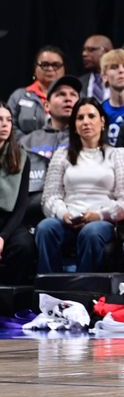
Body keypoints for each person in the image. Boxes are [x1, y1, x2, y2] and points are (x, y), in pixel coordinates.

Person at [35, 98, 124, 273]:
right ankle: (48, 288)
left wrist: (99, 215)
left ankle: (83, 290)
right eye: (80, 118)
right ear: (74, 125)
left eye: (91, 116)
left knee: (90, 233)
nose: (86, 122)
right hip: (67, 219)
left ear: (102, 121)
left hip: (101, 221)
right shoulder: (62, 155)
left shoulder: (118, 154)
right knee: (45, 228)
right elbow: (50, 197)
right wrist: (63, 214)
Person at [18, 76, 81, 203]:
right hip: (33, 206)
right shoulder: (27, 142)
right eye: (61, 94)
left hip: (75, 204)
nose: (68, 99)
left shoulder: (88, 140)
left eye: (73, 95)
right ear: (46, 106)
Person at [0, 102, 36, 285]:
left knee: (23, 245)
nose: (4, 125)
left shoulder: (21, 157)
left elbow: (22, 204)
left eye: (8, 120)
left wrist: (2, 237)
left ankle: (7, 297)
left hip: (8, 220)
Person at [7, 46, 67, 137]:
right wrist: (27, 143)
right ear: (35, 69)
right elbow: (8, 124)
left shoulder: (74, 96)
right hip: (24, 149)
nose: (50, 69)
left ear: (64, 69)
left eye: (56, 65)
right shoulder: (19, 96)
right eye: (45, 65)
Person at [79, 35, 113, 103]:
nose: (84, 54)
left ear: (107, 52)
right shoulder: (80, 83)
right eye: (84, 50)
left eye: (91, 50)